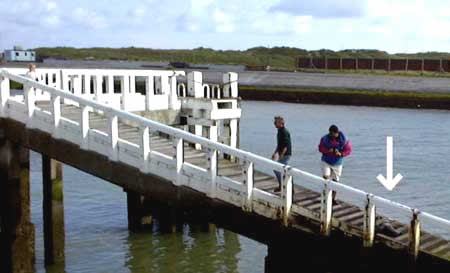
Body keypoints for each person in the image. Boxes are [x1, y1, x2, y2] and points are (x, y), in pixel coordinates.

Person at [318, 125, 352, 201]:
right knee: (326, 177)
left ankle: (333, 199)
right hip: (326, 161)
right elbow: (320, 148)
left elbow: (348, 150)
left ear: (337, 133)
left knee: (335, 181)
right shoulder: (324, 139)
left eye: (333, 135)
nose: (332, 136)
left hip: (337, 163)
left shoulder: (344, 140)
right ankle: (326, 196)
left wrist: (341, 154)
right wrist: (327, 151)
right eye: (330, 134)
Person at [271, 116, 292, 192]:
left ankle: (284, 186)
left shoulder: (284, 132)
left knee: (278, 169)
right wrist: (275, 152)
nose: (274, 124)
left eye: (275, 122)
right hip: (281, 153)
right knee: (280, 170)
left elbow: (286, 146)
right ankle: (283, 185)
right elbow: (279, 144)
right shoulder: (279, 131)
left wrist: (282, 155)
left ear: (281, 123)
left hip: (286, 155)